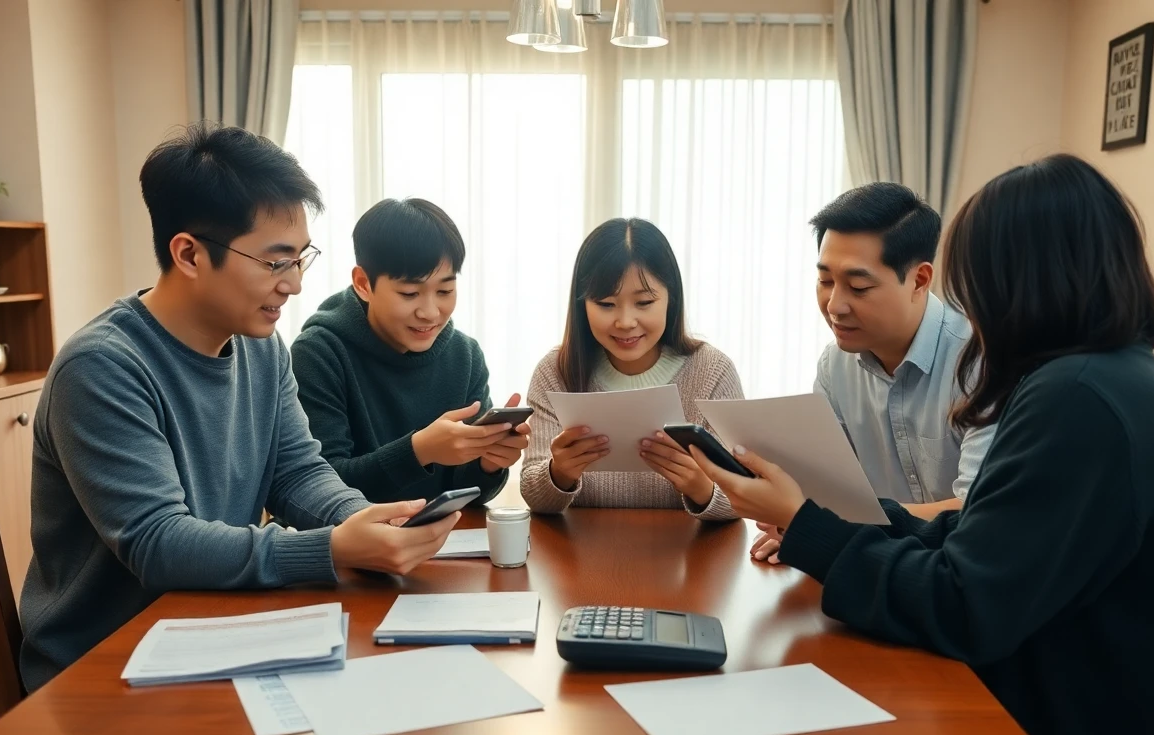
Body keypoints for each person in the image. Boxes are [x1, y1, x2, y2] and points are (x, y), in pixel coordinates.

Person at [690, 155, 1154, 735]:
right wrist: (817, 521)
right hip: (1053, 695)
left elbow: (963, 604)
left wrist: (809, 528)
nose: (972, 309)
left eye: (979, 282)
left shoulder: (1076, 400)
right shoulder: (1109, 379)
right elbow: (979, 536)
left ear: (1025, 282)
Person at [19, 125, 460, 692]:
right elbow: (159, 543)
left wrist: (365, 520)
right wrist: (331, 547)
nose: (296, 285)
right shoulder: (103, 367)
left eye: (300, 259)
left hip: (215, 630)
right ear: (189, 254)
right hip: (104, 666)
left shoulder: (259, 345)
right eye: (276, 263)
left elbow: (297, 471)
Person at [750, 183, 995, 563]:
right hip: (876, 570)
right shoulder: (835, 366)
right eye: (825, 281)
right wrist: (805, 525)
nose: (834, 305)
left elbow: (975, 513)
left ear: (919, 280)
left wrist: (819, 524)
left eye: (859, 286)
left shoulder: (980, 361)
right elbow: (828, 489)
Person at [291, 198, 527, 505]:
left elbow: (468, 494)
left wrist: (489, 463)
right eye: (410, 293)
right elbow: (318, 487)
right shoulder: (318, 354)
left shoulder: (464, 356)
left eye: (444, 291)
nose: (430, 312)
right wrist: (418, 451)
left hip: (441, 544)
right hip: (351, 548)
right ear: (363, 284)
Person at [520, 218, 743, 518]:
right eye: (606, 304)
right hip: (576, 559)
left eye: (644, 302)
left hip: (687, 560)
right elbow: (534, 496)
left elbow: (745, 497)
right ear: (582, 304)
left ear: (670, 299)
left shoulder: (712, 371)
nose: (625, 322)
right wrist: (559, 473)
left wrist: (701, 488)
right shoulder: (555, 372)